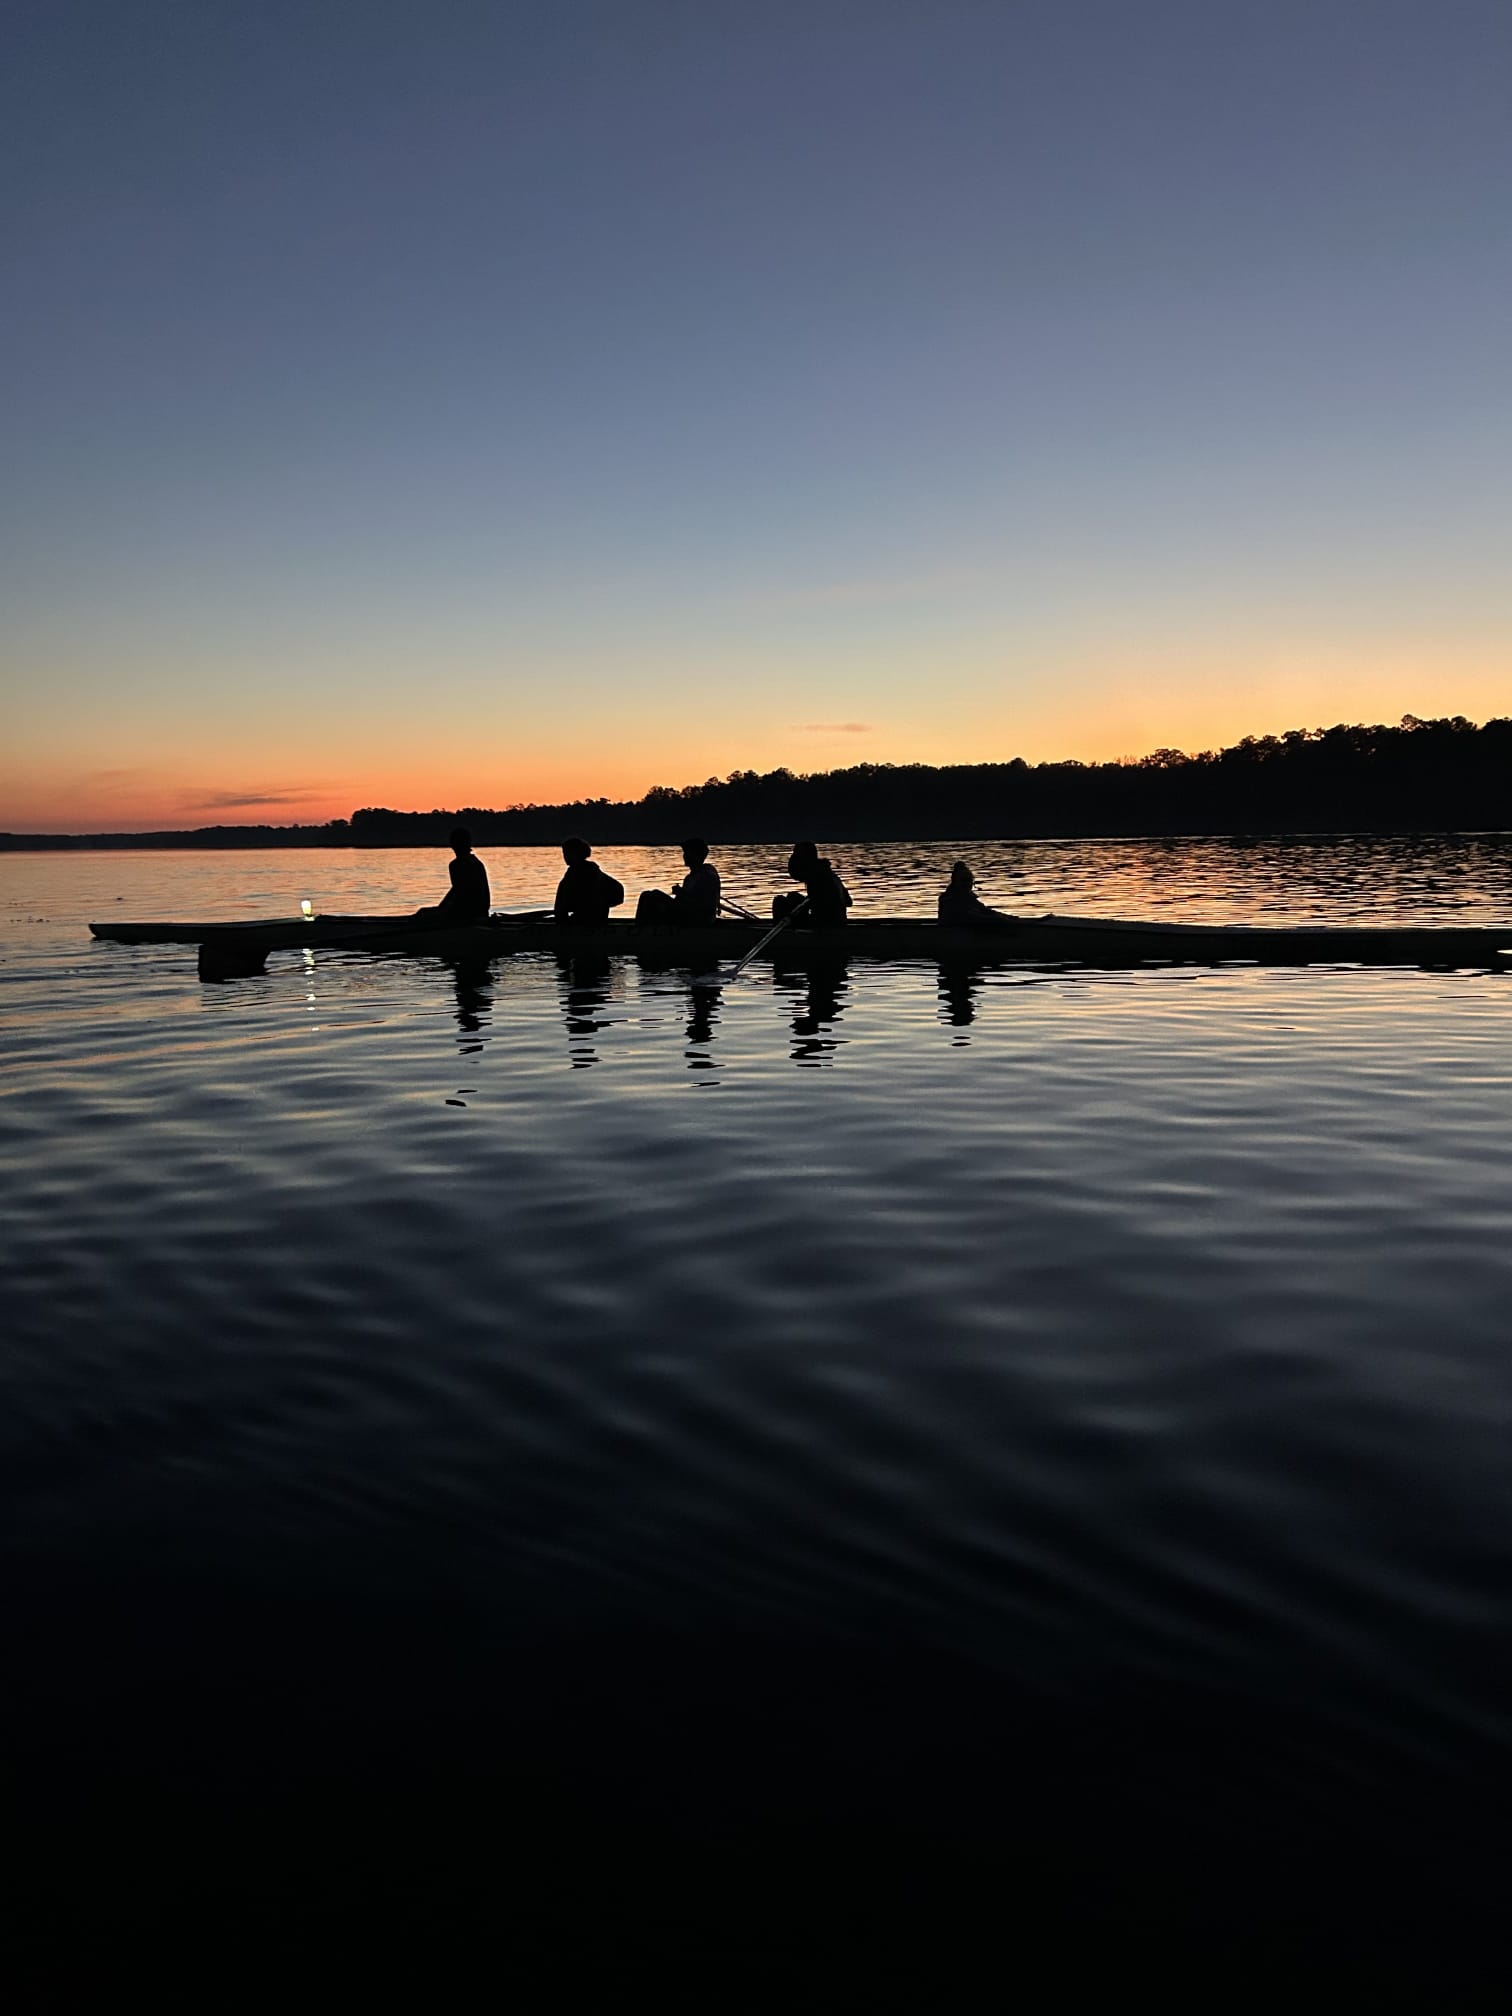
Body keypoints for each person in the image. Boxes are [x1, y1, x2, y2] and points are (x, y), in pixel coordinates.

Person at [635, 837, 722, 926]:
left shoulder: (706, 876)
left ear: (695, 855)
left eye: (687, 853)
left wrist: (682, 893)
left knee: (649, 896)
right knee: (650, 895)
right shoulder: (693, 876)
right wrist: (681, 894)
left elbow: (701, 905)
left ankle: (639, 928)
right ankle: (644, 926)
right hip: (690, 914)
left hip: (698, 919)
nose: (684, 856)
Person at [416, 826, 490, 925]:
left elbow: (459, 892)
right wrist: (441, 908)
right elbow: (457, 890)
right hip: (479, 911)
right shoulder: (476, 862)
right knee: (424, 913)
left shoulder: (457, 865)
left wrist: (443, 910)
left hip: (465, 914)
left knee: (422, 915)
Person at [773, 840, 851, 928]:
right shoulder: (829, 874)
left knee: (780, 901)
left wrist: (801, 902)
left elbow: (822, 905)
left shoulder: (818, 878)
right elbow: (848, 901)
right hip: (837, 922)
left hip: (826, 925)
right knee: (792, 898)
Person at [554, 837, 625, 926]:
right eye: (564, 853)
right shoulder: (592, 870)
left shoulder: (577, 873)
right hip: (597, 920)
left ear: (577, 853)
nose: (565, 857)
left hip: (585, 922)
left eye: (567, 853)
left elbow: (561, 904)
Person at [937, 861, 1013, 928]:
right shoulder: (950, 899)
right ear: (955, 881)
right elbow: (969, 917)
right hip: (956, 934)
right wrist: (998, 919)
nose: (968, 883)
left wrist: (1008, 918)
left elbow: (985, 911)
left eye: (970, 880)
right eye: (964, 880)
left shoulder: (969, 897)